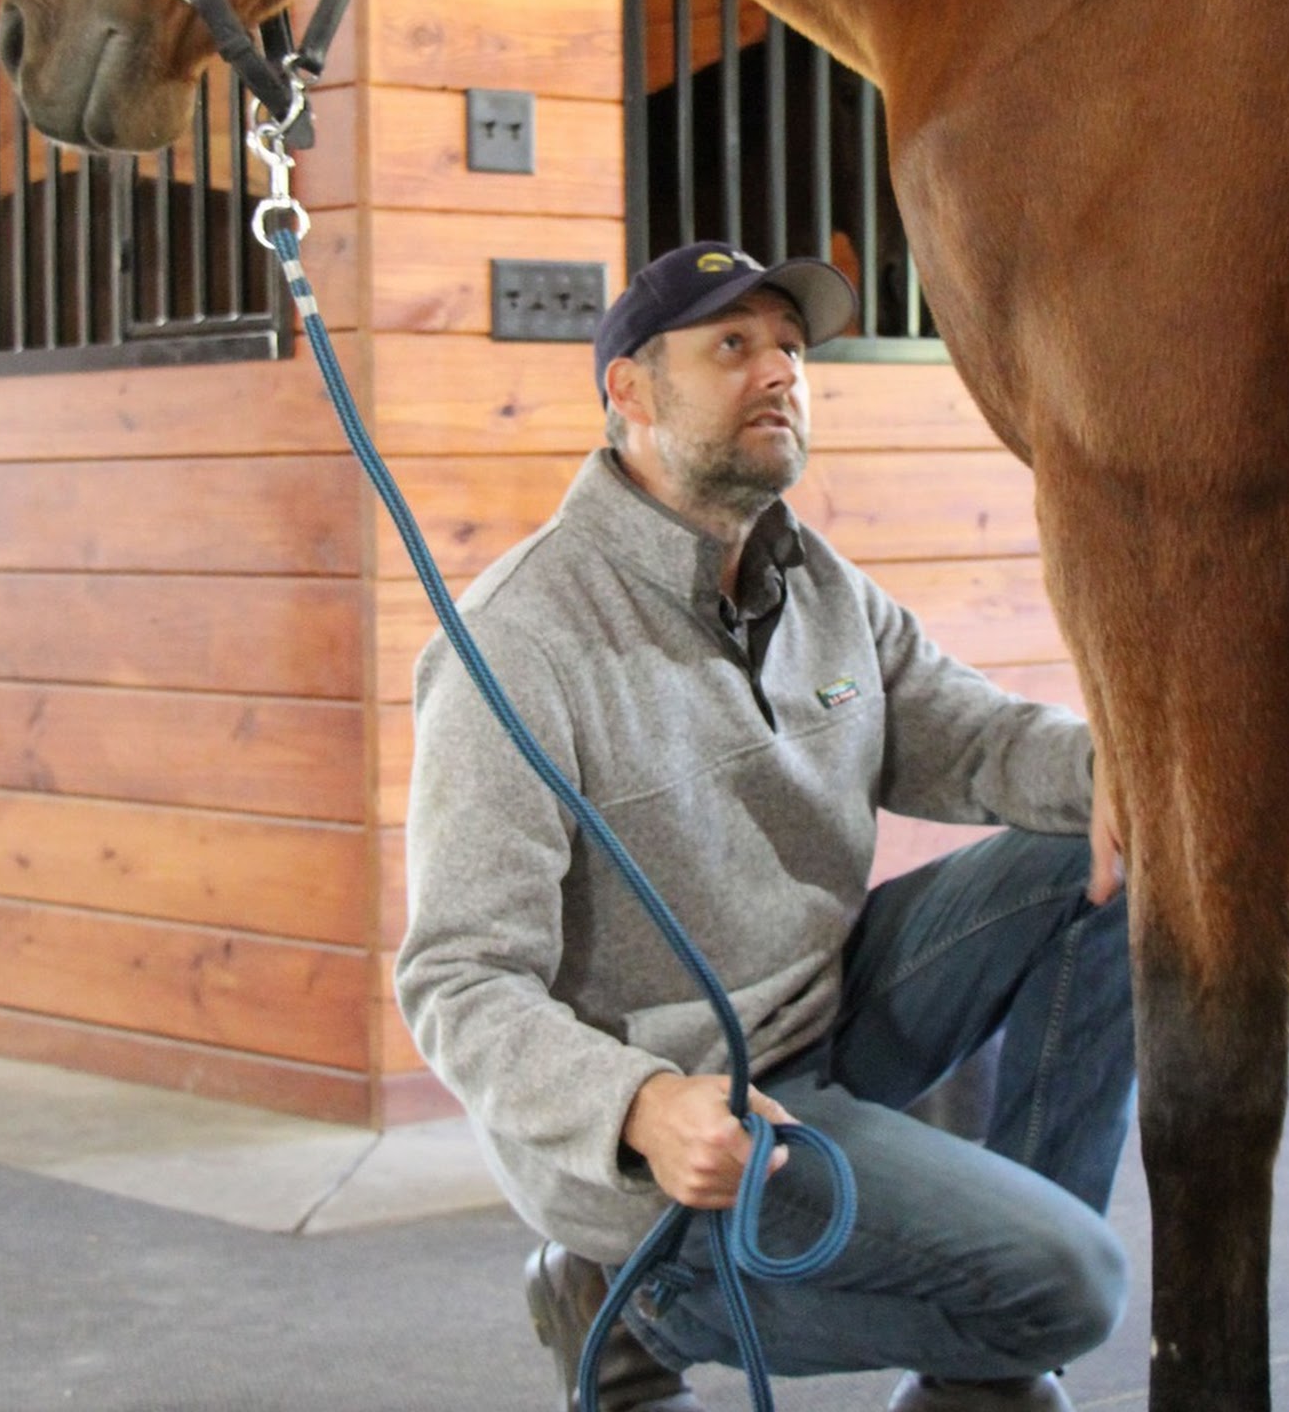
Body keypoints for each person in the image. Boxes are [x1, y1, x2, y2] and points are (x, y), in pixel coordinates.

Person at [395, 242, 1137, 1412]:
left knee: (1105, 856)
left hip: (829, 1011)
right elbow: (457, 979)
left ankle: (987, 1349)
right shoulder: (516, 643)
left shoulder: (815, 580)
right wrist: (638, 1106)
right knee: (1073, 1286)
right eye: (731, 345)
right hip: (686, 1115)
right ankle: (631, 1296)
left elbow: (976, 740)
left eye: (789, 346)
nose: (780, 370)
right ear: (630, 392)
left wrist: (1136, 778)